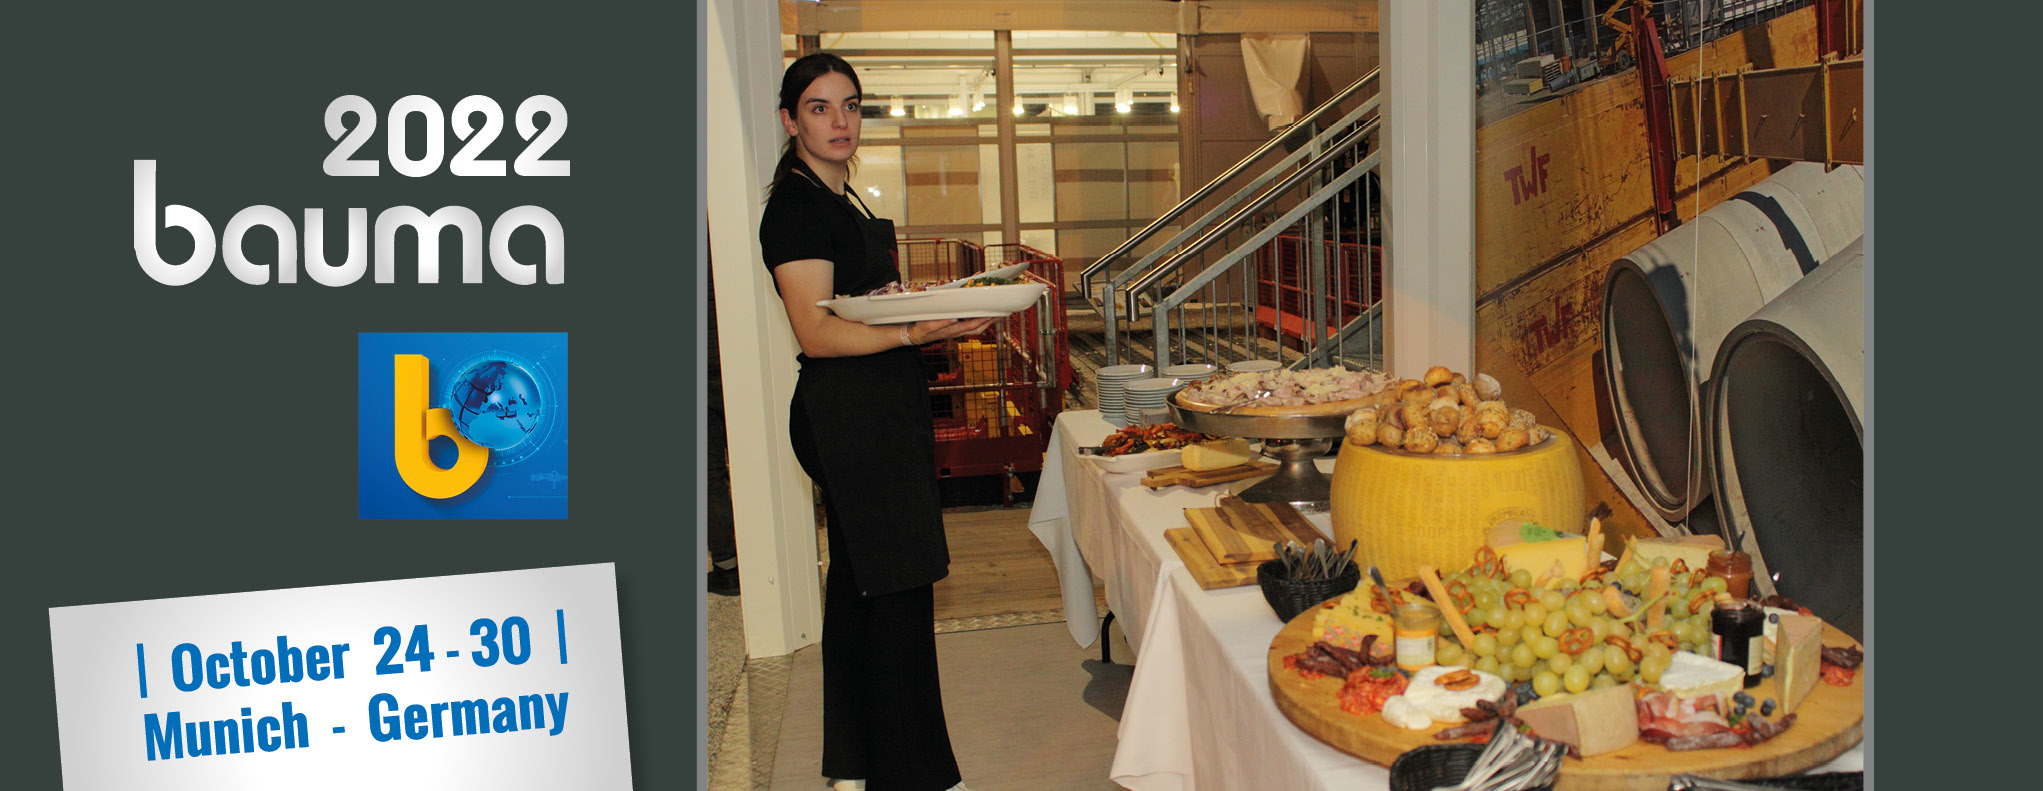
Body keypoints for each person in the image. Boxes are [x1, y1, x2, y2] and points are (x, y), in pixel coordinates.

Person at [757, 53, 991, 791]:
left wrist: (927, 312)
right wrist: (915, 330)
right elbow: (818, 333)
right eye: (819, 107)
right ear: (790, 121)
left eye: (851, 106)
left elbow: (860, 304)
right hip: (848, 416)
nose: (840, 121)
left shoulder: (841, 198)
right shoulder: (794, 209)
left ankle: (853, 767)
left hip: (877, 407)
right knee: (898, 587)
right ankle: (916, 774)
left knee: (863, 590)